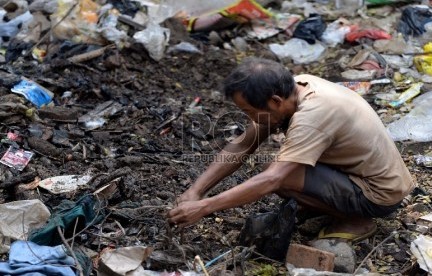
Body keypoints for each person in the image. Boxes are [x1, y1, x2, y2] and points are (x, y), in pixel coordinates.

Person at [167, 57, 415, 243]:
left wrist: (205, 207)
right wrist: (196, 191)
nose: (249, 118)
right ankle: (326, 205)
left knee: (281, 177)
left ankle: (357, 221)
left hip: (378, 194)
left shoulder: (313, 115)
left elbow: (273, 179)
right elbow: (244, 143)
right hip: (361, 172)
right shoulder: (295, 87)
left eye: (249, 112)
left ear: (275, 101)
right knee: (280, 169)